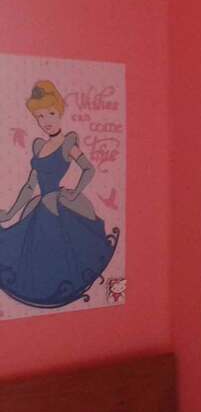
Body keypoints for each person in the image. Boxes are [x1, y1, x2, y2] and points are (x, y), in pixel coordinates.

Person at [0, 81, 118, 308]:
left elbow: (88, 169)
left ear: (60, 111)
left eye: (51, 113)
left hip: (56, 206)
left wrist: (76, 191)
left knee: (59, 255)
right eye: (40, 116)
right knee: (30, 253)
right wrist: (10, 213)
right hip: (40, 207)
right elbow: (29, 186)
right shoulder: (39, 146)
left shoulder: (67, 143)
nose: (46, 121)